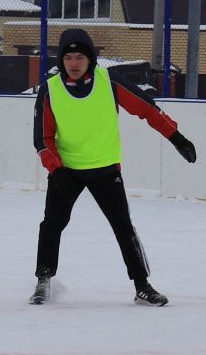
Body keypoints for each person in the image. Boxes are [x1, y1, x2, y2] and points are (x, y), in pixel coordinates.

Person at [30, 27, 196, 306]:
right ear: (61, 60)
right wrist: (56, 170)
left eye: (79, 57)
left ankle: (142, 285)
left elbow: (147, 109)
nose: (73, 63)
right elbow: (42, 139)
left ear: (90, 59)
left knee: (123, 226)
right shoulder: (51, 89)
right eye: (68, 57)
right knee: (52, 224)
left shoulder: (109, 82)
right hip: (66, 172)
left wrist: (176, 137)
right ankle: (44, 280)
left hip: (105, 169)